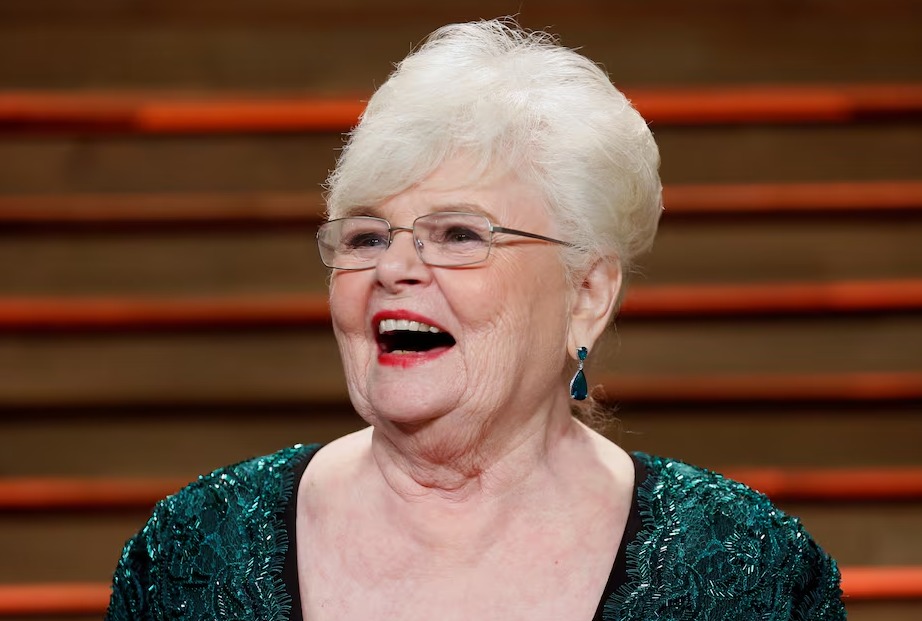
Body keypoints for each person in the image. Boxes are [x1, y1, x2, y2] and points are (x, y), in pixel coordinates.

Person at [106, 19, 845, 621]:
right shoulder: (194, 553)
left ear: (587, 292)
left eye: (459, 234)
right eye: (366, 236)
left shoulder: (747, 573)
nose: (393, 269)